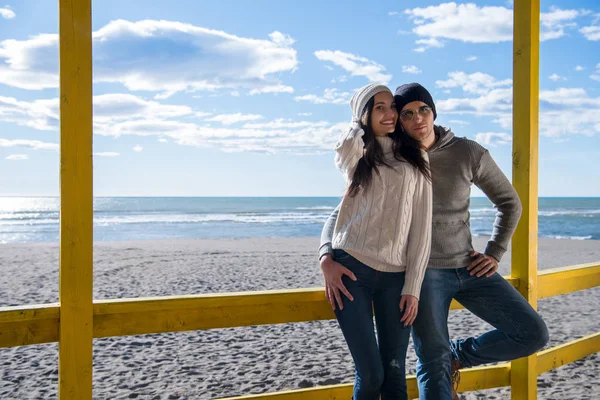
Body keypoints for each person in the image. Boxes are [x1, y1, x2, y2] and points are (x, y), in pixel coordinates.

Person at [319, 83, 549, 400]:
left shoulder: (467, 151)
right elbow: (346, 212)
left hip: (470, 268)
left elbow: (510, 203)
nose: (417, 119)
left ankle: (458, 355)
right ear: (399, 120)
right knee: (431, 364)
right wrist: (325, 256)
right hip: (423, 275)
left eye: (423, 110)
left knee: (533, 333)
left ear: (434, 111)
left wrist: (494, 252)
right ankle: (443, 359)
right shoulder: (394, 156)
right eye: (408, 113)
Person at [321, 83, 432, 400]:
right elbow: (345, 152)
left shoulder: (416, 157)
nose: (390, 113)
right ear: (364, 114)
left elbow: (421, 227)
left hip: (396, 278)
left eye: (391, 106)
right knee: (370, 375)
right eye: (379, 107)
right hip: (351, 271)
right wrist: (325, 259)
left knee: (395, 374)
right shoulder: (359, 156)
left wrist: (413, 286)